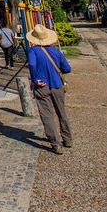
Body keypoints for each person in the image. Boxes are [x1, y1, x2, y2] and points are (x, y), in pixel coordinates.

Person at [27, 24, 72, 155]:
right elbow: (67, 69)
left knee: (47, 115)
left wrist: (35, 79)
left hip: (42, 86)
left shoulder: (33, 51)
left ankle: (56, 144)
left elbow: (32, 64)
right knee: (62, 112)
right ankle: (68, 139)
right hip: (57, 85)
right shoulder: (56, 51)